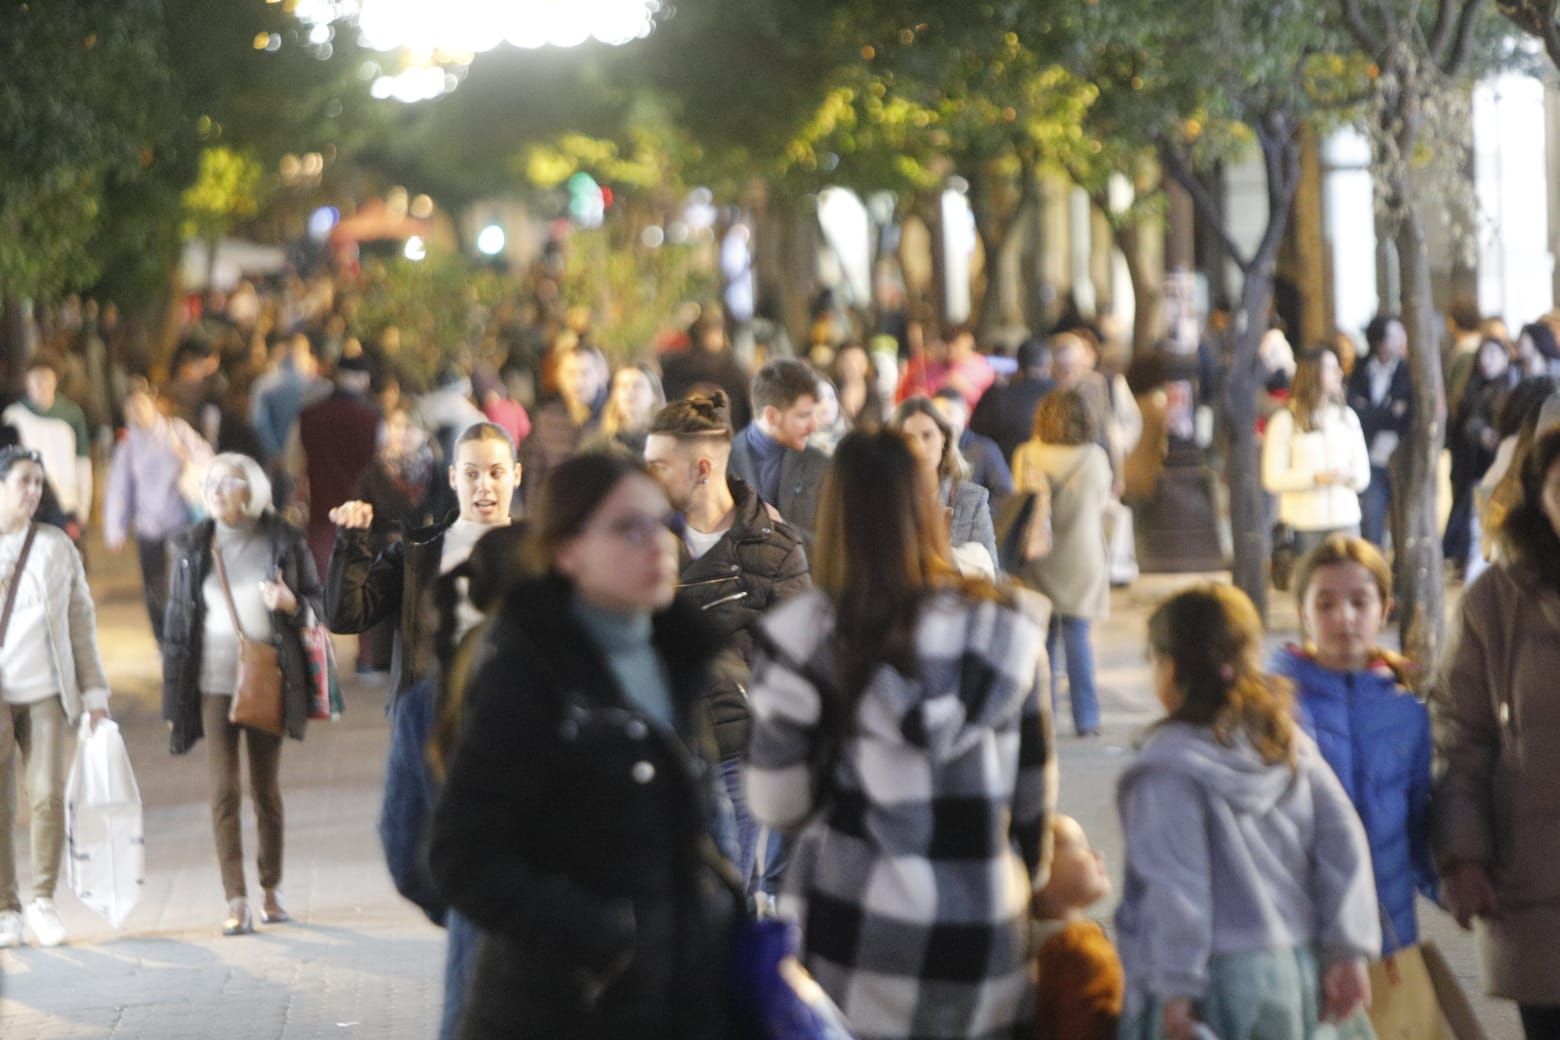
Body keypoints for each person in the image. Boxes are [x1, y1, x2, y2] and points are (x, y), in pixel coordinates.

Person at [745, 429, 1053, 1040]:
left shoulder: (805, 637)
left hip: (850, 930)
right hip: (983, 927)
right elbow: (1033, 809)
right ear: (928, 510)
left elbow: (777, 805)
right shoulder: (1007, 627)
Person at [429, 452, 737, 1039]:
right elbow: (460, 857)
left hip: (676, 999)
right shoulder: (529, 672)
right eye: (628, 528)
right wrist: (601, 935)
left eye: (662, 524)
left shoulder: (677, 659)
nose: (658, 544)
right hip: (563, 1008)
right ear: (568, 550)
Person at [1116, 584, 1379, 1040]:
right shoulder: (1283, 742)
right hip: (1302, 970)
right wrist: (1349, 950)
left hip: (1213, 986)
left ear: (1171, 668)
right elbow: (1344, 841)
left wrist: (1177, 996)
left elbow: (1177, 888)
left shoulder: (1167, 767)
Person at [643, 390, 810, 892]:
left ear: (700, 468)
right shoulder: (637, 538)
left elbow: (797, 663)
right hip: (653, 747)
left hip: (733, 750)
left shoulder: (774, 547)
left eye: (657, 466)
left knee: (720, 890)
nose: (644, 477)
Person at [160, 453, 322, 936]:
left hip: (265, 678)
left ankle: (270, 887)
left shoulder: (283, 540)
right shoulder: (191, 546)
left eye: (225, 482)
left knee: (265, 791)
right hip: (211, 683)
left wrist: (290, 603)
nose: (213, 490)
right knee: (223, 792)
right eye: (208, 482)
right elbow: (175, 627)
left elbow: (317, 602)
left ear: (250, 490)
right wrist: (173, 703)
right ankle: (236, 898)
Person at [1433, 427, 1560, 1036]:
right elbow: (1462, 735)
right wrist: (1464, 855)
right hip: (1536, 878)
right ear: (1541, 498)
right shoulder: (1494, 602)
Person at [1275, 535, 1436, 954]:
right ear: (1304, 614)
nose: (1344, 617)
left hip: (1388, 928)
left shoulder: (1407, 712)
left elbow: (1418, 818)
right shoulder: (1274, 706)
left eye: (1359, 602)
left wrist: (1448, 881)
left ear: (1384, 610)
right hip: (1298, 931)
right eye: (1325, 604)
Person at [0, 446, 112, 949]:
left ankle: (42, 899)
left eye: (38, 483)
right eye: (23, 481)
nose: (33, 491)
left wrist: (94, 692)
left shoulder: (54, 547)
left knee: (46, 795)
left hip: (46, 691)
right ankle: (6, 907)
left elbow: (80, 623)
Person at [326, 422, 519, 702]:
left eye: (496, 472)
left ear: (516, 475)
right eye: (471, 474)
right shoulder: (419, 549)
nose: (484, 485)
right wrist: (351, 542)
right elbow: (347, 616)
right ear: (453, 478)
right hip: (429, 714)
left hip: (515, 713)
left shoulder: (538, 551)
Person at [1012, 390, 1113, 736]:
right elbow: (1102, 501)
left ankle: (1044, 715)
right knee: (1079, 638)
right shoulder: (1095, 458)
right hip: (1082, 557)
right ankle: (1087, 718)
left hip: (1037, 558)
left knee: (1042, 644)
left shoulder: (1026, 455)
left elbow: (1017, 504)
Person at [104, 379, 213, 646]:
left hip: (181, 522)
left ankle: (189, 637)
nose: (137, 412)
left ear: (154, 404)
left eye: (141, 405)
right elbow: (119, 488)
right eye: (131, 408)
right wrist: (115, 528)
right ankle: (164, 643)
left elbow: (209, 460)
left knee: (185, 584)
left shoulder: (177, 431)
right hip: (148, 526)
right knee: (154, 590)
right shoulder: (128, 445)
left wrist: (187, 456)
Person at [347, 404, 451, 674]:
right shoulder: (373, 472)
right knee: (387, 627)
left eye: (409, 427)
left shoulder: (439, 472)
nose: (402, 433)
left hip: (427, 560)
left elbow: (449, 512)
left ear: (424, 432)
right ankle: (380, 662)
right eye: (396, 426)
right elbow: (360, 515)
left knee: (421, 622)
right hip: (385, 558)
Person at [1262, 345, 1372, 560]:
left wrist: (1348, 475)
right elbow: (1272, 477)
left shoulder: (1346, 418)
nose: (1339, 373)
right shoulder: (1285, 421)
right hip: (1304, 524)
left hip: (1345, 520)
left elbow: (1363, 475)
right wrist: (1314, 478)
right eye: (1331, 368)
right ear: (1313, 373)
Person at [1031, 814, 1122, 1040]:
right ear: (1040, 874)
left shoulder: (1033, 948)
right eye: (1080, 846)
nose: (1097, 855)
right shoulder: (1078, 949)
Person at [891, 396, 999, 578]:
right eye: (908, 439)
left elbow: (990, 572)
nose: (919, 447)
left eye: (927, 435)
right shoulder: (884, 498)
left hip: (958, 601)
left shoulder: (970, 498)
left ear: (944, 438)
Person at [295, 354, 381, 576]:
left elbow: (292, 465)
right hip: (362, 520)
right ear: (364, 379)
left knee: (321, 588)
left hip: (321, 518)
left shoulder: (308, 416)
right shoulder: (373, 419)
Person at [728, 359, 830, 546]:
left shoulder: (821, 465)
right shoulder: (723, 462)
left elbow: (831, 546)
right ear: (771, 416)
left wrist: (778, 528)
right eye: (803, 416)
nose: (813, 426)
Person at [3, 355, 93, 546]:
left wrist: (83, 506)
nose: (40, 385)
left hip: (66, 504)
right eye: (35, 379)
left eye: (46, 379)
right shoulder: (13, 416)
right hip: (27, 507)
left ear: (55, 381)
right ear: (27, 381)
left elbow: (82, 462)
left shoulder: (71, 414)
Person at [1446, 335, 1518, 571]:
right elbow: (1459, 425)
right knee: (1475, 525)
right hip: (1471, 468)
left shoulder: (1513, 389)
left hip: (1500, 470)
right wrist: (1478, 431)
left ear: (1505, 358)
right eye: (1482, 356)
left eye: (1493, 355)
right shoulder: (1470, 388)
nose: (1486, 361)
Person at [1347, 315, 1412, 549]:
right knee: (1372, 520)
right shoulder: (1361, 368)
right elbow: (1356, 412)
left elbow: (1405, 415)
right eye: (1395, 335)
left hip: (1401, 457)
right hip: (1370, 456)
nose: (1401, 339)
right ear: (1380, 342)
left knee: (1404, 526)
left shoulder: (1408, 370)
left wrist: (1373, 411)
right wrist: (1388, 411)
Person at [519, 345, 605, 511]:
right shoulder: (546, 418)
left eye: (585, 373)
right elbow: (535, 473)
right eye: (571, 373)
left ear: (599, 375)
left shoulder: (610, 418)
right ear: (560, 376)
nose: (578, 381)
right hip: (558, 514)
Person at [971, 337, 1053, 465]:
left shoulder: (997, 396)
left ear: (1018, 365)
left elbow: (976, 434)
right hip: (1050, 470)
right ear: (1048, 365)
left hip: (1005, 471)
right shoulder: (1062, 396)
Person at [932, 385, 1013, 504]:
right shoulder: (928, 450)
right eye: (936, 415)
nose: (942, 420)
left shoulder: (984, 449)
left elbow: (1005, 494)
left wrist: (980, 517)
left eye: (949, 412)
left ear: (966, 413)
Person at [895, 323, 995, 410]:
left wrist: (966, 390)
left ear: (968, 341)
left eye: (956, 343)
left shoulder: (982, 368)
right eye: (947, 342)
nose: (950, 348)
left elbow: (990, 403)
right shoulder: (932, 366)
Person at [593, 362, 665, 458]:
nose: (630, 391)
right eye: (623, 386)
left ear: (655, 395)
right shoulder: (600, 442)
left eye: (638, 385)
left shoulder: (666, 440)